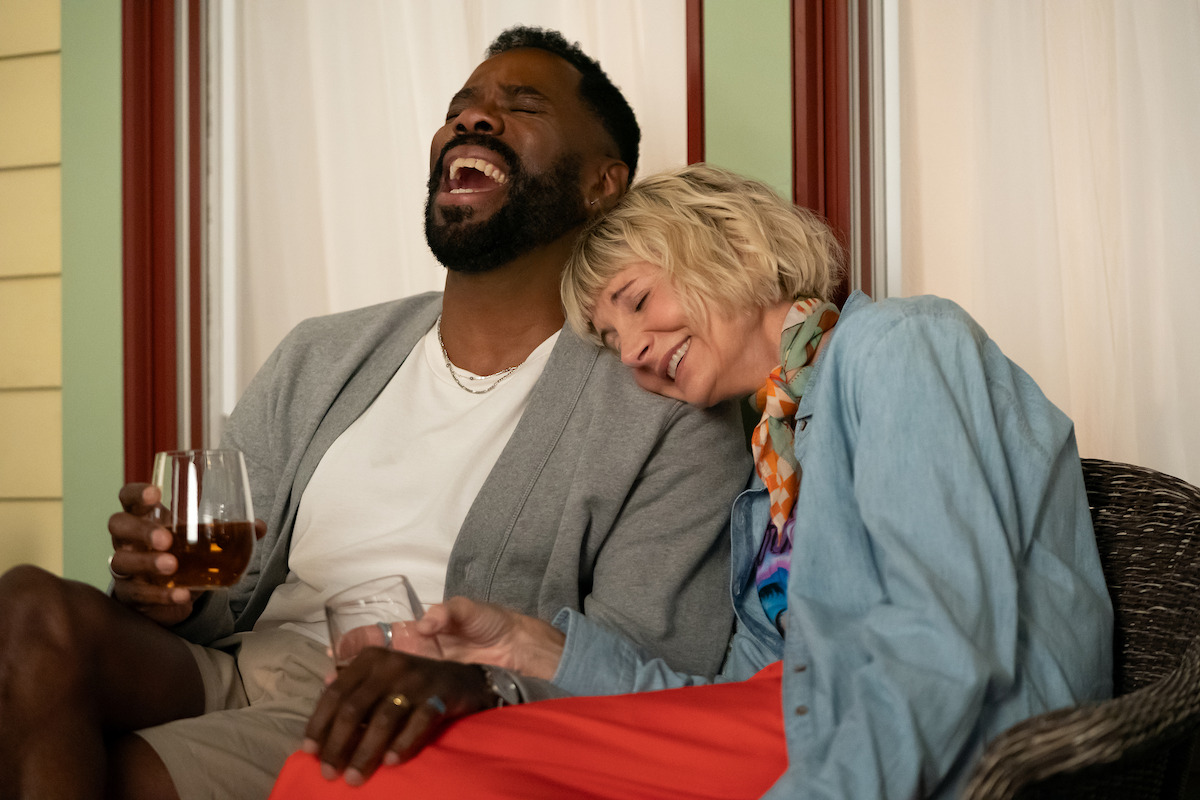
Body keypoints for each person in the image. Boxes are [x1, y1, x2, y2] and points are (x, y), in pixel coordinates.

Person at [0, 32, 750, 800]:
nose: (475, 120)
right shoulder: (322, 354)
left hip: (387, 706)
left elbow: (655, 665)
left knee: (87, 768)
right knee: (27, 609)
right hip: (242, 663)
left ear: (603, 184)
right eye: (462, 108)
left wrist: (484, 685)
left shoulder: (666, 402)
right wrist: (174, 587)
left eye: (521, 106)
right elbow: (227, 590)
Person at [274, 163, 1115, 799]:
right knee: (349, 765)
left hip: (925, 741)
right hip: (800, 721)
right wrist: (522, 646)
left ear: (737, 244)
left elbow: (941, 646)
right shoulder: (772, 466)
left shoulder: (897, 346)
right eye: (609, 339)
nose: (633, 349)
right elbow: (725, 694)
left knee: (360, 776)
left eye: (636, 300)